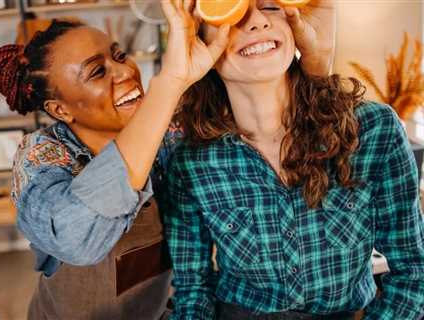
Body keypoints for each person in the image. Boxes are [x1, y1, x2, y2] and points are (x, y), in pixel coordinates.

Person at [0, 0, 336, 318]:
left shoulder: (172, 132)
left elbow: (274, 117)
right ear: (59, 109)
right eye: (97, 72)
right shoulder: (41, 157)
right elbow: (78, 240)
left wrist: (316, 59)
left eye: (119, 56)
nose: (124, 73)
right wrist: (168, 84)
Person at [163, 0, 424, 320]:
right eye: (233, 12)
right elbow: (192, 291)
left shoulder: (372, 129)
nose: (257, 21)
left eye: (271, 6)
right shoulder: (188, 160)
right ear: (200, 44)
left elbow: (413, 272)